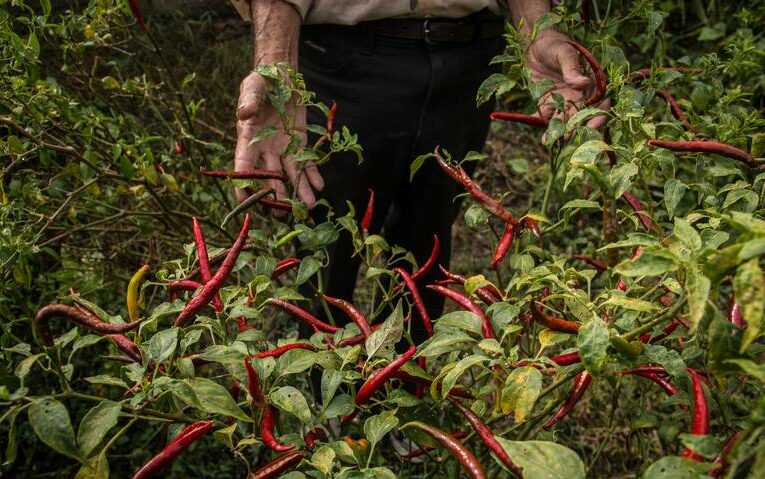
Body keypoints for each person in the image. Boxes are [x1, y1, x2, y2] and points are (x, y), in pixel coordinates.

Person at [231, 0, 599, 342]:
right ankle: (319, 395)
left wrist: (538, 29)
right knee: (326, 252)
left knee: (426, 250)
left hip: (468, 58)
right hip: (343, 59)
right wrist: (275, 62)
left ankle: (409, 395)